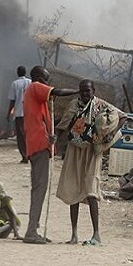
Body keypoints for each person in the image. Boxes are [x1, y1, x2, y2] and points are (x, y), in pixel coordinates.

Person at [55, 79, 126, 246]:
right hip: (74, 149)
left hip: (92, 152)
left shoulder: (100, 105)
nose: (85, 94)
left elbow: (123, 116)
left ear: (93, 91)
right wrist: (56, 142)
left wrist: (111, 133)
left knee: (91, 189)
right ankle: (74, 235)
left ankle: (96, 234)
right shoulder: (74, 105)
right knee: (73, 188)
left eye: (88, 91)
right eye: (83, 91)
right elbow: (64, 125)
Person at [22, 65, 79, 244]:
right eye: (46, 79)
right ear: (38, 77)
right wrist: (78, 91)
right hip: (38, 145)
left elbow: (42, 122)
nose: (48, 83)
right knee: (39, 188)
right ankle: (31, 231)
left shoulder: (37, 98)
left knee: (39, 188)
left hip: (41, 144)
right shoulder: (35, 87)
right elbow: (58, 91)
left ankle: (34, 228)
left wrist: (50, 136)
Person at [6, 66, 31, 163]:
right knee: (28, 134)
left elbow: (12, 100)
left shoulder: (15, 84)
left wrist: (8, 113)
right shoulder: (31, 82)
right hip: (30, 113)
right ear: (25, 73)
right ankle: (30, 154)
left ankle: (24, 156)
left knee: (20, 136)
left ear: (17, 73)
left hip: (19, 113)